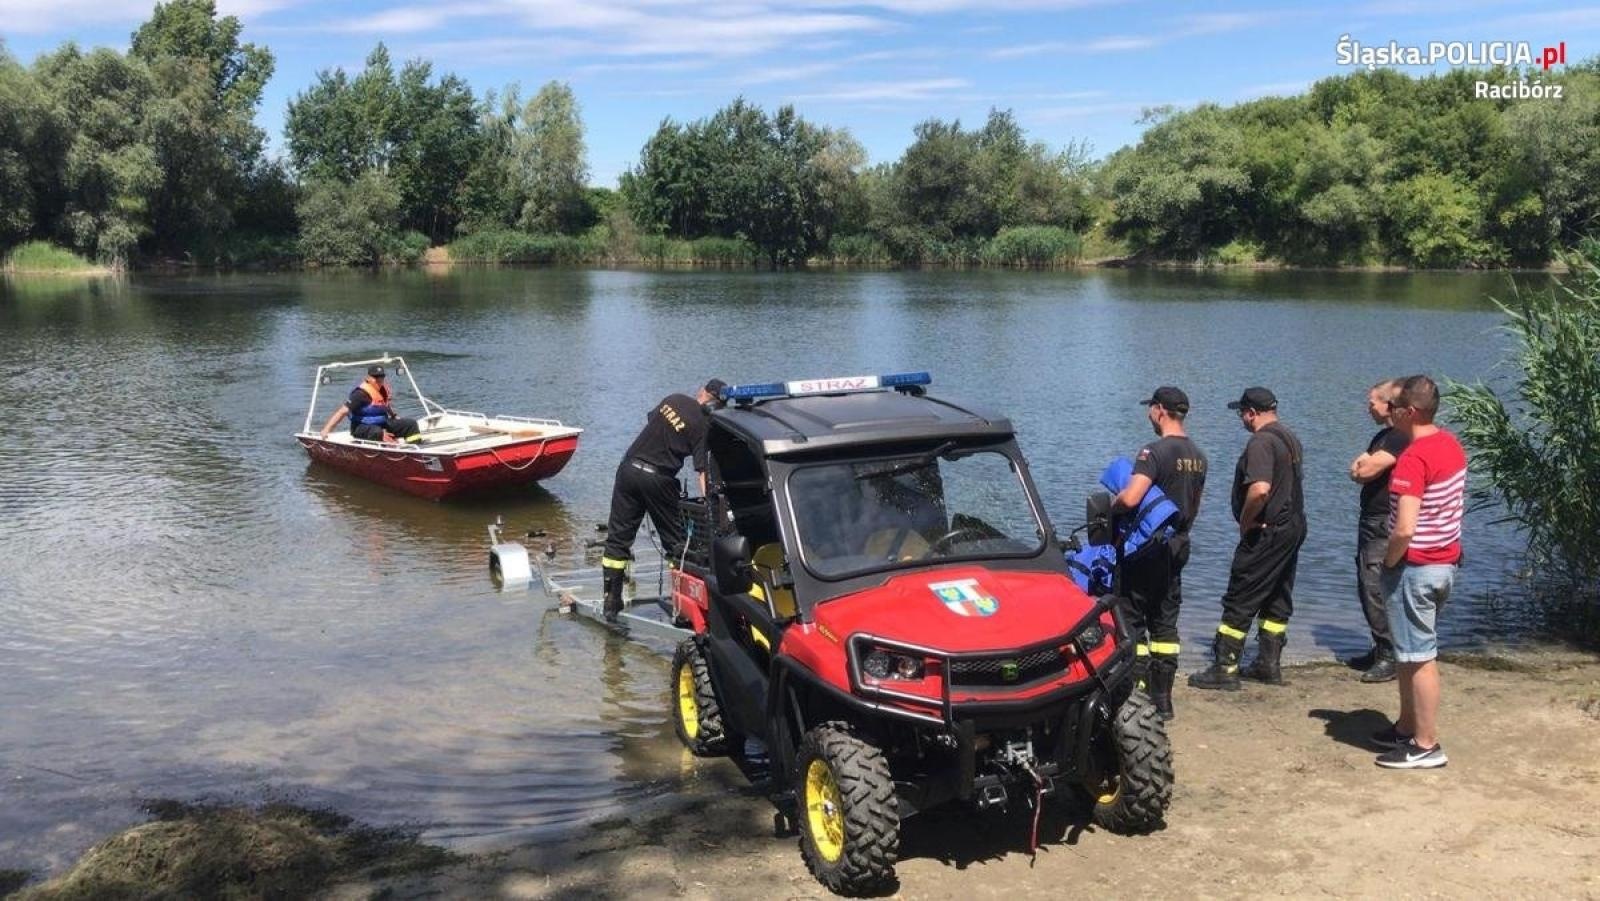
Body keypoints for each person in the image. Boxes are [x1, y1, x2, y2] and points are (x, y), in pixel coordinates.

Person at [1373, 375, 1465, 770]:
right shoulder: (1450, 444)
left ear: (1409, 412)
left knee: (1420, 655)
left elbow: (1405, 528)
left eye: (1393, 407)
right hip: (1444, 563)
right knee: (1409, 652)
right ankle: (1407, 727)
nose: (1387, 413)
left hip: (1417, 567)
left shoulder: (1413, 458)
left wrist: (1391, 561)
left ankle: (1426, 744)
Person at [1190, 387, 1306, 691]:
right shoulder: (1289, 437)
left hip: (1267, 531)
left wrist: (1246, 521)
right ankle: (1269, 664)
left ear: (1251, 412)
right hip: (1292, 528)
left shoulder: (1261, 442)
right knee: (1278, 595)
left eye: (1242, 412)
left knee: (1241, 596)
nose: (1241, 418)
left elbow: (1260, 489)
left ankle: (1224, 669)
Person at [1112, 386, 1207, 721]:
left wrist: (1113, 502)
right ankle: (1164, 700)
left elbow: (1132, 498)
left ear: (1159, 410)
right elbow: (1196, 503)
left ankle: (1135, 698)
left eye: (1150, 409)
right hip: (1179, 546)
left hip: (1146, 549)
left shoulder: (1152, 452)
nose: (1149, 415)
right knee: (1165, 622)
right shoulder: (1198, 454)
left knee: (1132, 619)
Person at [600, 379, 726, 622]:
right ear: (717, 404)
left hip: (628, 468)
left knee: (618, 539)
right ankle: (682, 607)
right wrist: (712, 507)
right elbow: (703, 472)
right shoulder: (704, 425)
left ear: (701, 391)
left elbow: (653, 422)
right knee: (676, 544)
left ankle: (611, 602)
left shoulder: (674, 399)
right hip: (659, 479)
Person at [1348, 378, 1408, 683]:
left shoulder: (1398, 438)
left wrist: (1363, 464)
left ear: (1389, 405)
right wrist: (1362, 465)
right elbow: (1358, 470)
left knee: (1374, 585)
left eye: (1372, 402)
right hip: (1373, 520)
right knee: (1367, 582)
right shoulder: (1384, 436)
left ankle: (1389, 654)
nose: (1368, 407)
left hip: (1383, 522)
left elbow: (1365, 470)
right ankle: (1380, 647)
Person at [318, 364, 421, 443]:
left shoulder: (383, 389)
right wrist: (326, 430)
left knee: (410, 424)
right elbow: (342, 411)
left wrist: (394, 415)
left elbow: (385, 405)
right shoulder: (360, 393)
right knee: (377, 432)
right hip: (361, 427)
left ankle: (414, 449)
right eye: (376, 378)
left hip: (381, 423)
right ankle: (386, 448)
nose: (379, 380)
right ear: (369, 378)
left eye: (381, 377)